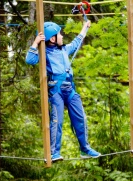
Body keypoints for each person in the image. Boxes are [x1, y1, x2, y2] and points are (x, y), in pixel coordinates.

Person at [26, 21, 101, 162]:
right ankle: (54, 152)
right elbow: (30, 60)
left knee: (81, 118)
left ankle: (85, 148)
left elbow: (77, 41)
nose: (62, 36)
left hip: (70, 89)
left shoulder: (65, 50)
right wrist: (36, 43)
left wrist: (84, 27)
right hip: (56, 91)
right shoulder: (44, 54)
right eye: (59, 34)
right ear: (52, 39)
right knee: (57, 121)